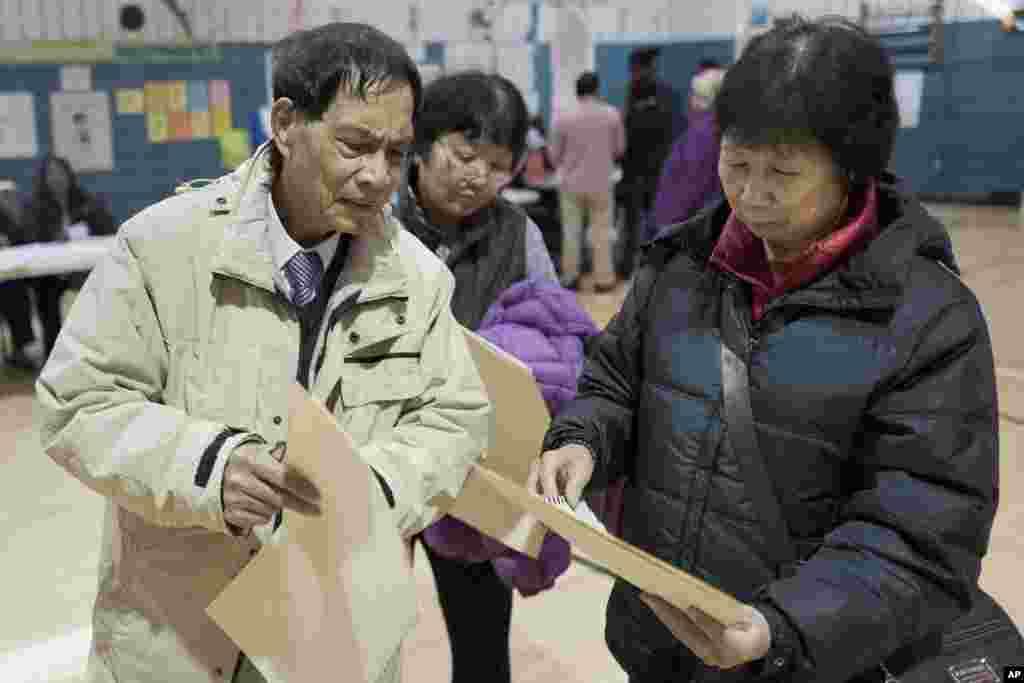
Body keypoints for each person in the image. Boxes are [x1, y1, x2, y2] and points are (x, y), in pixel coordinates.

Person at [532, 15, 1001, 683]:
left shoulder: (927, 321)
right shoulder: (681, 264)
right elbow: (615, 379)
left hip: (806, 662)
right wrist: (582, 437)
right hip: (659, 646)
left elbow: (923, 536)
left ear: (851, 169)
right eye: (737, 162)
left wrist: (781, 626)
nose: (751, 194)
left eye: (782, 171)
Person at [36, 22, 491, 683]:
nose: (378, 176)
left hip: (334, 645)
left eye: (396, 153)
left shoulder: (416, 280)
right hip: (179, 646)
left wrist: (372, 492)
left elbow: (456, 419)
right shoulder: (163, 249)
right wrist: (208, 465)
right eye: (355, 145)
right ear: (285, 123)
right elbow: (77, 403)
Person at [394, 70, 569, 683]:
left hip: (471, 462)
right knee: (353, 633)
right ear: (421, 142)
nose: (478, 178)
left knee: (482, 643)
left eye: (498, 166)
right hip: (372, 458)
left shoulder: (517, 233)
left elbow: (554, 329)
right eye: (464, 155)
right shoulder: (370, 217)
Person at [20, 155, 115, 358]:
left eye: (60, 173)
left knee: (102, 287)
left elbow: (106, 226)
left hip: (82, 269)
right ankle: (54, 355)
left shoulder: (84, 200)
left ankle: (100, 352)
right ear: (44, 179)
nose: (57, 178)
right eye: (51, 174)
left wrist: (79, 229)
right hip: (51, 273)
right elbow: (31, 237)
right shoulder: (35, 206)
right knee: (47, 295)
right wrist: (54, 236)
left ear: (69, 175)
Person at [549, 71, 625, 292]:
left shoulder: (563, 116)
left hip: (570, 184)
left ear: (577, 90)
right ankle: (603, 279)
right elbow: (619, 149)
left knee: (571, 232)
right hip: (601, 182)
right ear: (597, 89)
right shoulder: (611, 114)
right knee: (602, 232)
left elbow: (554, 156)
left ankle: (571, 277)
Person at [617, 46, 682, 279]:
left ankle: (649, 268)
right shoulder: (634, 93)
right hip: (640, 171)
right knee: (637, 223)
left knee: (650, 223)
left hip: (650, 170)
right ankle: (634, 267)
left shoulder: (650, 93)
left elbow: (669, 132)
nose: (648, 71)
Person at [652, 66, 727, 233]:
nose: (690, 99)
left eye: (695, 95)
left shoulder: (702, 134)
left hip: (680, 222)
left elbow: (694, 184)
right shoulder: (708, 130)